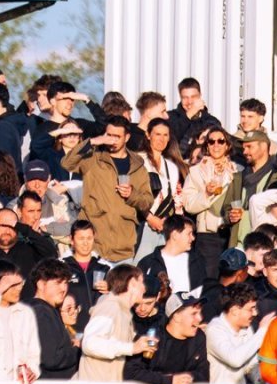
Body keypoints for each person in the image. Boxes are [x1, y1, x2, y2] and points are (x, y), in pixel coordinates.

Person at [65, 117, 153, 263]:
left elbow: (147, 202)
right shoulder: (93, 159)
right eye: (109, 135)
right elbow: (67, 163)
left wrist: (132, 194)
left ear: (127, 137)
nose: (112, 140)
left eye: (117, 136)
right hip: (94, 246)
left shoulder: (137, 166)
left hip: (123, 247)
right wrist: (92, 141)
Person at [181, 128, 247, 278]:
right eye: (211, 142)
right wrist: (206, 194)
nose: (216, 145)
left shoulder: (238, 170)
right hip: (208, 235)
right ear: (207, 146)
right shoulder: (196, 171)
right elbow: (188, 204)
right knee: (209, 280)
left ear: (227, 145)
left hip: (231, 232)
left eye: (221, 141)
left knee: (231, 279)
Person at [123, 290, 209, 384]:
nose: (200, 318)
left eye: (199, 313)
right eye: (193, 313)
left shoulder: (198, 337)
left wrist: (184, 379)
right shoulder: (152, 336)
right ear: (176, 316)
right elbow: (131, 372)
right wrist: (169, 381)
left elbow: (204, 374)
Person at [78, 265, 150, 383]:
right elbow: (90, 343)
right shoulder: (110, 307)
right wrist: (132, 348)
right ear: (132, 283)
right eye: (141, 282)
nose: (144, 288)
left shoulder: (123, 311)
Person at [134, 117, 186, 262]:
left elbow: (176, 199)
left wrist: (173, 225)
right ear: (148, 135)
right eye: (157, 134)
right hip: (141, 224)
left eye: (165, 135)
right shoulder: (137, 160)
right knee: (139, 266)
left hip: (164, 227)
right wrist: (150, 218)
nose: (161, 139)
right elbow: (131, 194)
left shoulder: (171, 167)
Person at [26, 259, 78, 380]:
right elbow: (51, 358)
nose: (63, 288)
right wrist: (78, 350)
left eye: (66, 283)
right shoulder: (41, 311)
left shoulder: (35, 308)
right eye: (58, 283)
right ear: (40, 284)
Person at [206, 280, 263, 384]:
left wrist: (263, 380)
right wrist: (261, 332)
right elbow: (234, 360)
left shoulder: (247, 329)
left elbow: (251, 366)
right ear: (235, 311)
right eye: (251, 309)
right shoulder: (214, 329)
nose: (255, 313)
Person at [137, 215, 206, 296]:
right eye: (189, 234)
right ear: (175, 235)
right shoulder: (148, 263)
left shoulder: (197, 260)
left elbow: (205, 292)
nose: (193, 238)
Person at [62, 220, 110, 332]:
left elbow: (119, 296)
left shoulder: (105, 267)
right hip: (73, 329)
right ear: (71, 240)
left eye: (89, 238)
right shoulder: (62, 267)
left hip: (100, 329)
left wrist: (111, 289)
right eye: (81, 238)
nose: (85, 243)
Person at [0, 207, 44, 282]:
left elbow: (50, 254)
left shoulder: (27, 248)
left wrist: (31, 233)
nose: (7, 231)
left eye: (12, 227)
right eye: (3, 226)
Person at [167, 77, 221, 159]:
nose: (189, 102)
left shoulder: (212, 121)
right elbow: (170, 139)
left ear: (200, 96)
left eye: (193, 97)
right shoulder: (170, 117)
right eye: (185, 97)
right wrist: (189, 115)